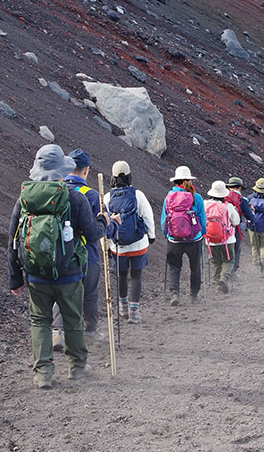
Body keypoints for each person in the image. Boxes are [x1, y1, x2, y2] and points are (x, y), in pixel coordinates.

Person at [7, 144, 106, 388]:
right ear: (62, 169)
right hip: (69, 273)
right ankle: (77, 368)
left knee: (40, 321)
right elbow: (93, 234)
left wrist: (15, 278)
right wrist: (103, 220)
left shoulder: (25, 198)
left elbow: (12, 239)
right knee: (72, 318)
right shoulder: (75, 197)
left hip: (35, 274)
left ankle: (43, 373)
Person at [51, 149, 104, 352]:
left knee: (62, 293)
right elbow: (96, 232)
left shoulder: (55, 191)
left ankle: (57, 332)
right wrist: (108, 222)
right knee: (89, 293)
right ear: (86, 170)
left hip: (60, 253)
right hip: (87, 254)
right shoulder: (91, 195)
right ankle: (90, 331)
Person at [103, 160, 156, 323]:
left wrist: (106, 243)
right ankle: (135, 312)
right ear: (129, 176)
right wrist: (151, 235)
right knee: (136, 276)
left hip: (118, 245)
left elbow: (104, 222)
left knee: (121, 276)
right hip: (138, 243)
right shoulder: (138, 195)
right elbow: (148, 216)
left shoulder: (106, 197)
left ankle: (123, 309)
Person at [161, 165, 206, 306]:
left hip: (174, 240)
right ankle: (194, 295)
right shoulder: (196, 197)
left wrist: (167, 234)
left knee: (174, 267)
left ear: (176, 181)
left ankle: (175, 294)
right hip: (194, 238)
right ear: (190, 180)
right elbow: (202, 219)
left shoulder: (169, 197)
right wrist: (202, 233)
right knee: (195, 267)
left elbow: (164, 219)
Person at [204, 180, 241, 293]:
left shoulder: (205, 205)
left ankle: (217, 284)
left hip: (210, 240)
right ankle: (224, 278)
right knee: (229, 260)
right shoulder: (228, 206)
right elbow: (236, 221)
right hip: (227, 239)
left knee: (215, 262)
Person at [225, 176, 254, 276]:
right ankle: (232, 271)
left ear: (229, 187)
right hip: (235, 228)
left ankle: (223, 272)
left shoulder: (222, 197)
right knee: (236, 249)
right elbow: (249, 216)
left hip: (222, 228)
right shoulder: (242, 200)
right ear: (240, 188)